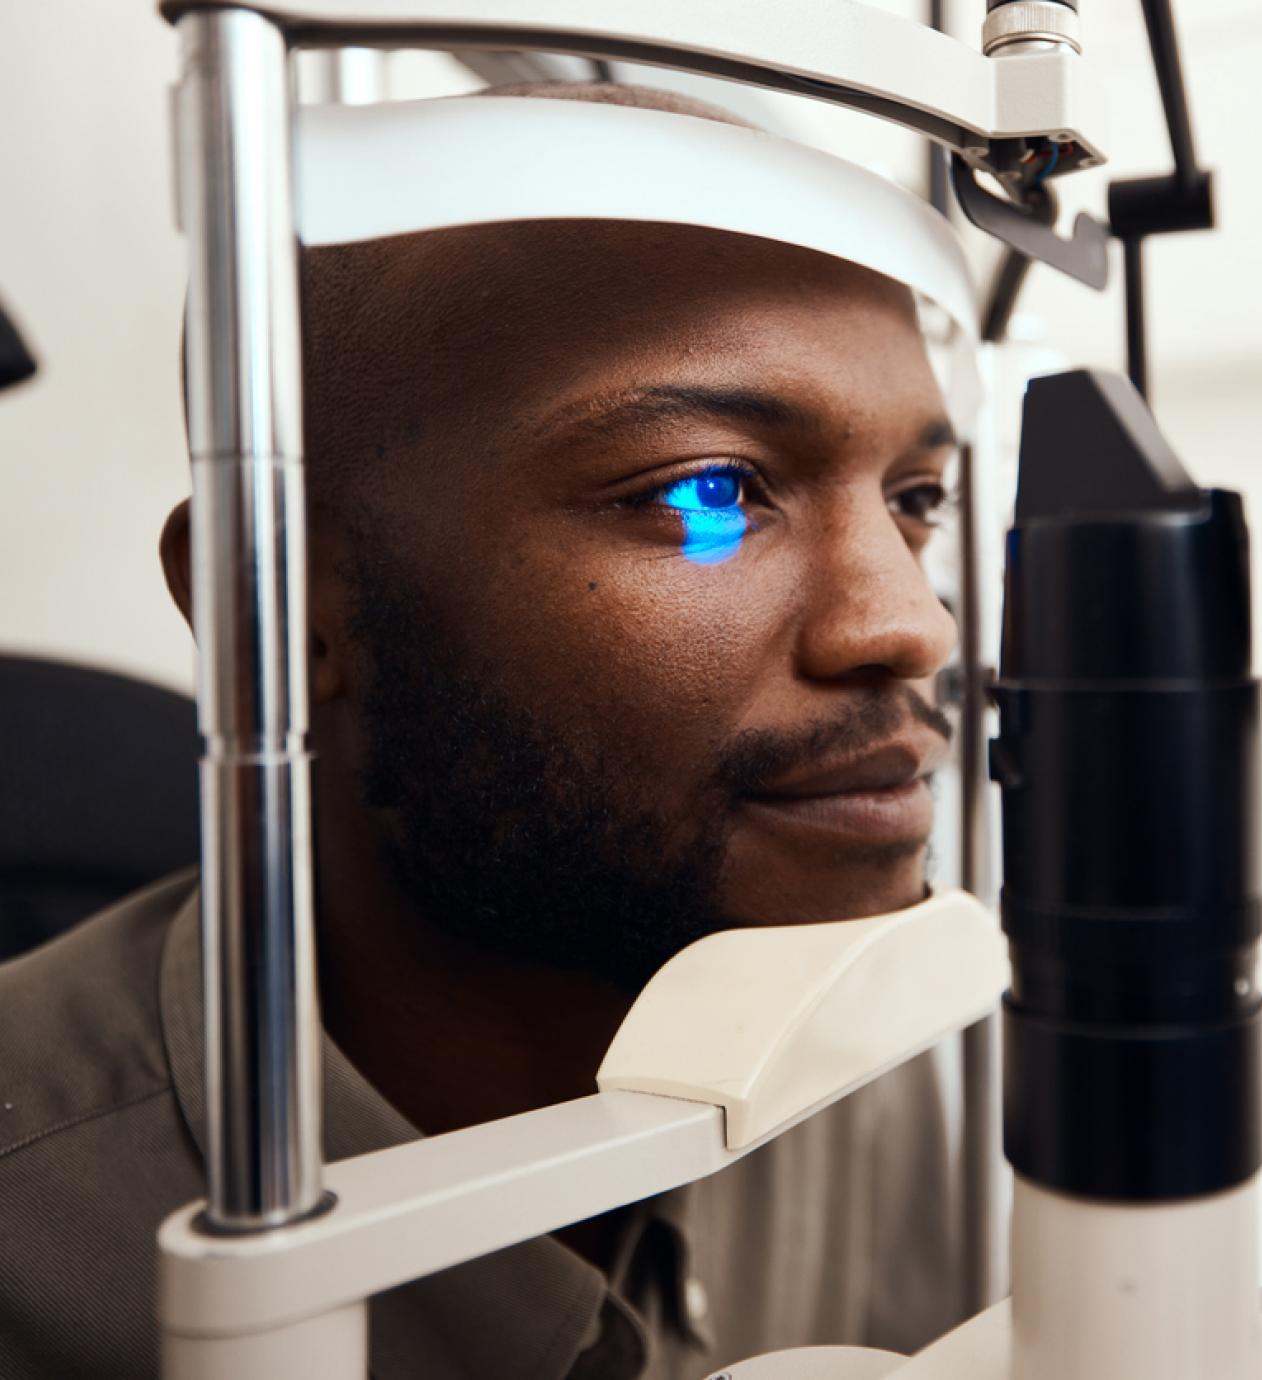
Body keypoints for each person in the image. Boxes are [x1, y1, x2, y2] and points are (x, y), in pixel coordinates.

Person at [0, 82, 968, 1379]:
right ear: (274, 610)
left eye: (915, 499)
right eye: (707, 491)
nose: (908, 626)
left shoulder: (906, 1053)